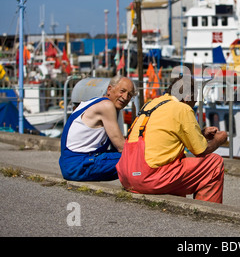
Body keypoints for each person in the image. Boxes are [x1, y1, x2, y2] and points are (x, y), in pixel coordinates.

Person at [117, 74, 228, 203]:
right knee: (214, 163)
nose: (194, 104)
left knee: (176, 160)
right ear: (187, 98)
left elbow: (166, 137)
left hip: (127, 176)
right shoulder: (182, 109)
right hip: (148, 178)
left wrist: (200, 134)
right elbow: (202, 150)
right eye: (194, 100)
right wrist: (220, 138)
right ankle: (208, 211)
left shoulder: (151, 104)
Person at [59, 75, 136, 181]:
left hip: (69, 164)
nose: (125, 97)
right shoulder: (106, 106)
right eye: (122, 91)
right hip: (78, 165)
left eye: (130, 95)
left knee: (130, 157)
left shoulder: (94, 102)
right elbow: (121, 146)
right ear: (110, 89)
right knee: (134, 159)